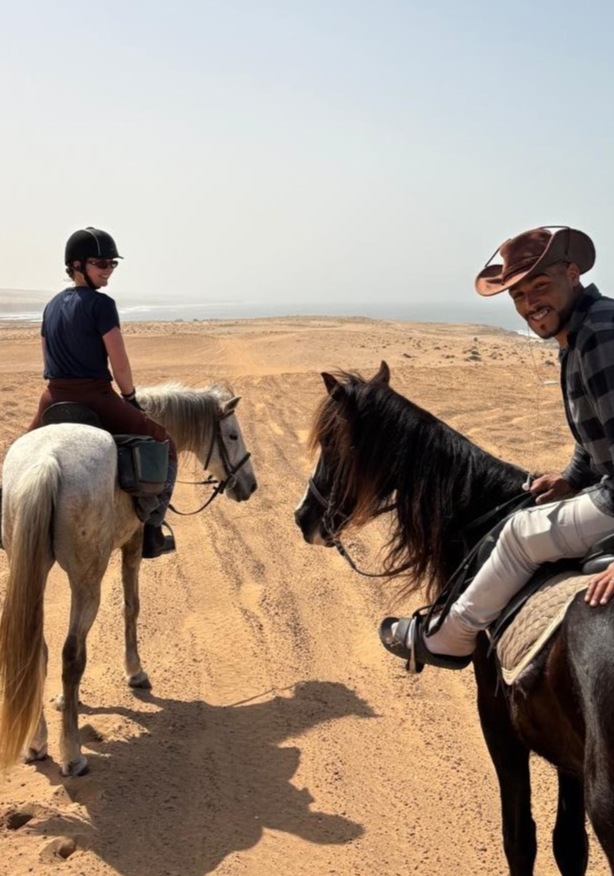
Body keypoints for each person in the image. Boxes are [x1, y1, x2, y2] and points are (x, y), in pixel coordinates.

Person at [381, 225, 614, 671]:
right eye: (519, 297)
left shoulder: (601, 337)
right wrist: (571, 477)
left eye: (540, 287)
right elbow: (598, 434)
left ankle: (450, 637)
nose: (530, 305)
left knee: (518, 535)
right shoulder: (582, 332)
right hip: (605, 486)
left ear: (573, 274)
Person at [6, 226, 177, 559]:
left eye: (113, 263)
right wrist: (129, 398)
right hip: (96, 396)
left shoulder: (50, 307)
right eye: (101, 263)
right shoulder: (102, 305)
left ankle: (5, 512)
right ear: (77, 265)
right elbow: (120, 364)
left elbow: (46, 356)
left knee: (17, 452)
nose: (108, 270)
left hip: (52, 397)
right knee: (164, 443)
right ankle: (153, 529)